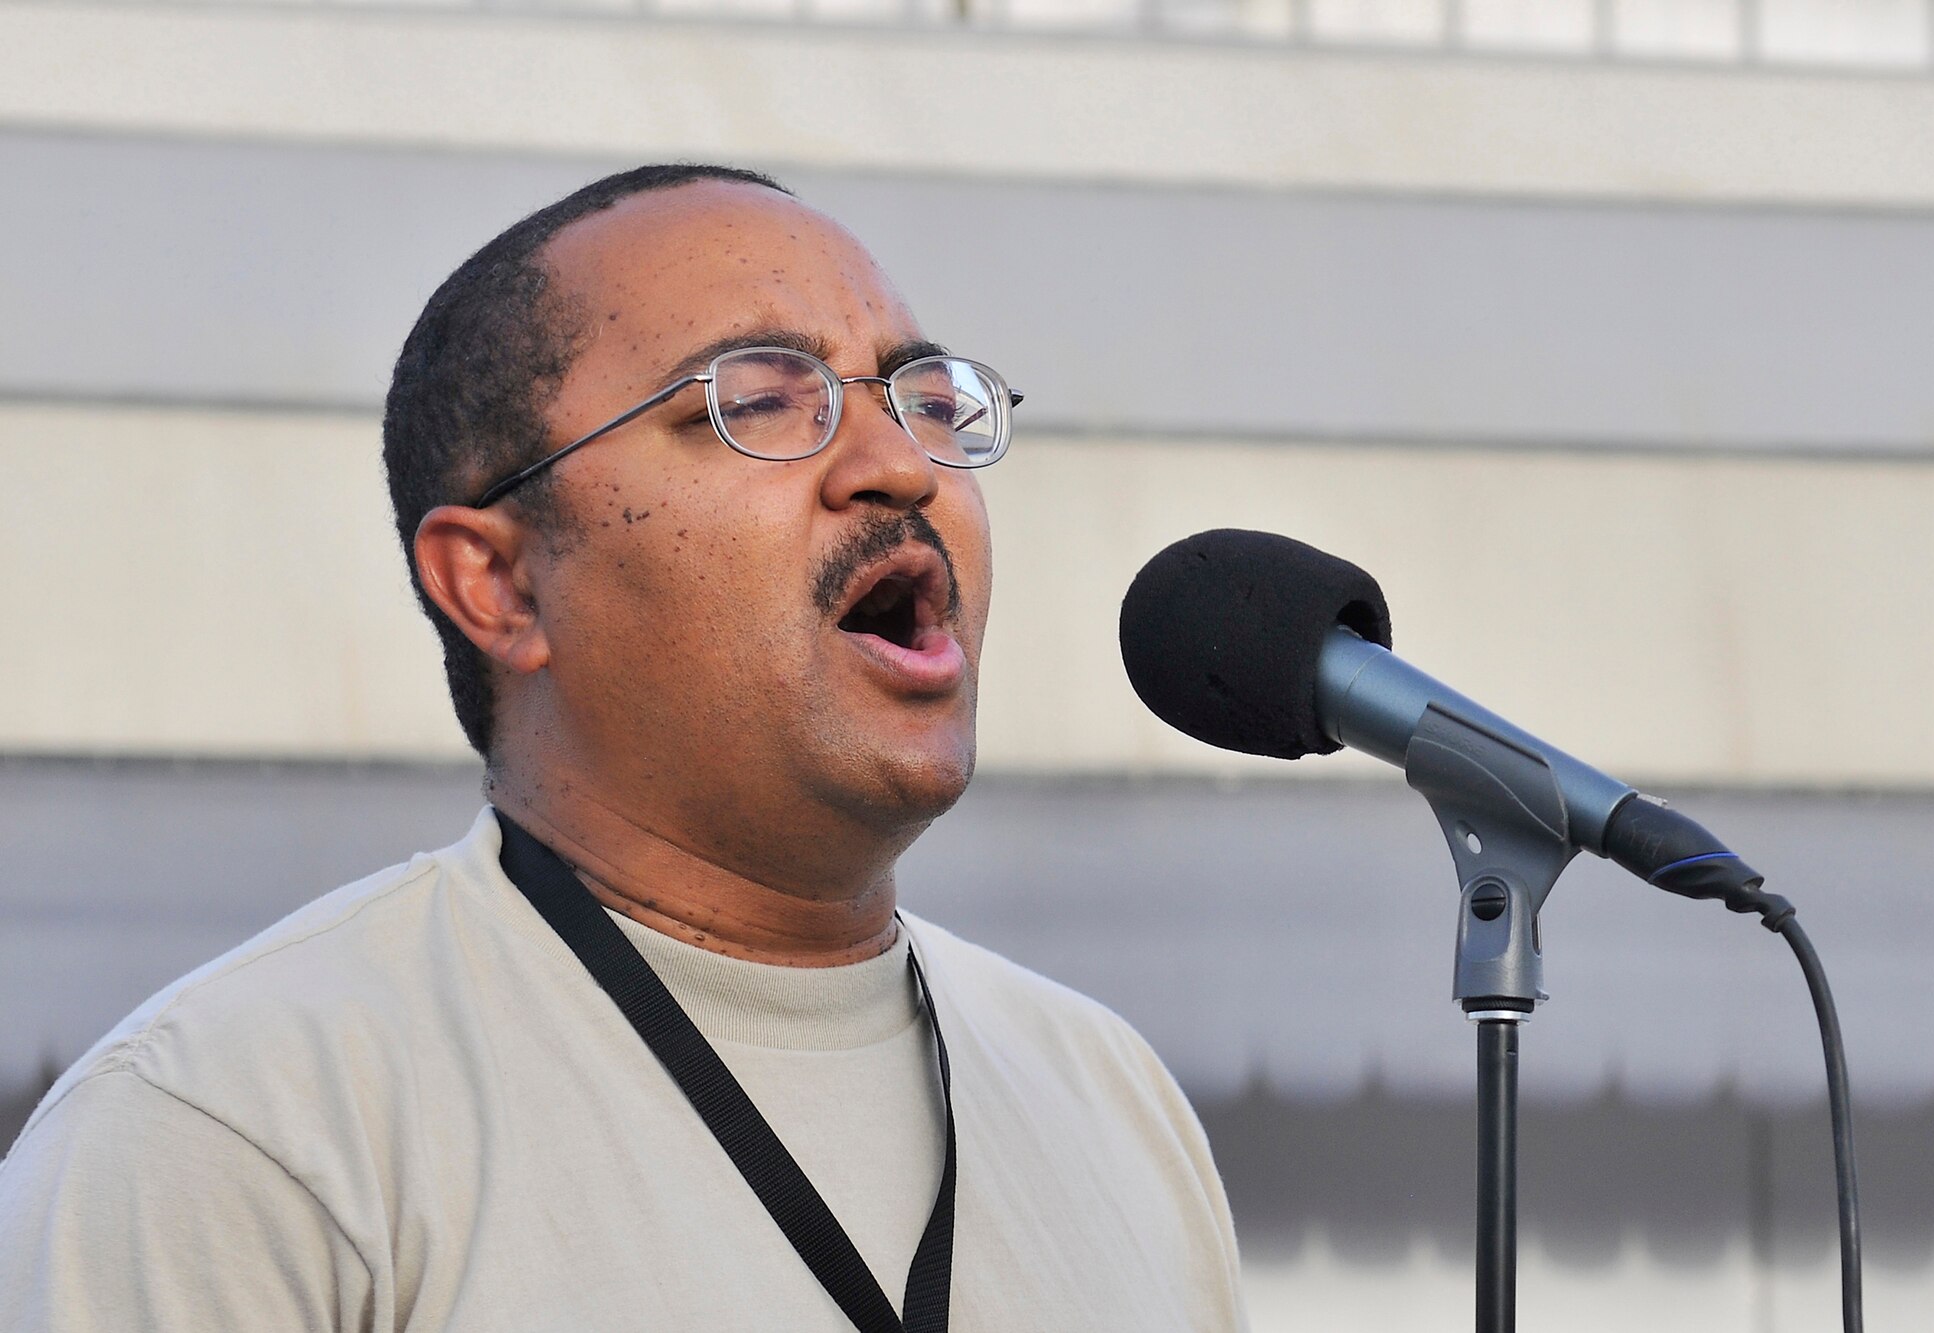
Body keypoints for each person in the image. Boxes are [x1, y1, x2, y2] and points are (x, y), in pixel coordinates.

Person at [0, 165, 1247, 1330]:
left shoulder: (1108, 1099)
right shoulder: (239, 1132)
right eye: (760, 400)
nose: (896, 467)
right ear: (498, 584)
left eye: (925, 400)